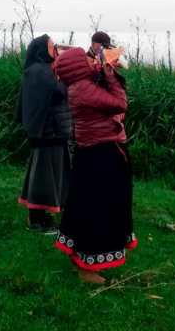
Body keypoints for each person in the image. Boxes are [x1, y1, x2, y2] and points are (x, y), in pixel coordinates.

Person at [53, 47, 137, 284]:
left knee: (89, 205)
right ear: (78, 67)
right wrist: (110, 75)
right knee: (99, 209)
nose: (92, 61)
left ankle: (83, 258)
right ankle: (88, 267)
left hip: (97, 152)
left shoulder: (82, 85)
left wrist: (107, 71)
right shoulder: (83, 89)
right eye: (86, 59)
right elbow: (120, 103)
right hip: (101, 155)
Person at [17, 34, 72, 232]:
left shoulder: (40, 69)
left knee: (49, 175)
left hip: (51, 131)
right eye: (51, 46)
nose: (55, 49)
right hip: (47, 132)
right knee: (43, 176)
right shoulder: (39, 71)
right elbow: (58, 91)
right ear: (42, 50)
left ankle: (42, 215)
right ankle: (37, 219)